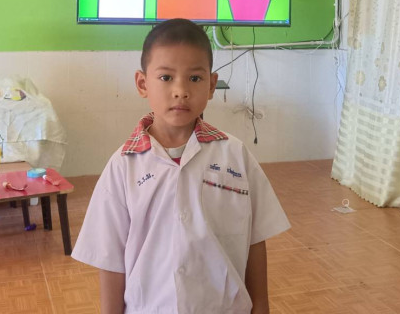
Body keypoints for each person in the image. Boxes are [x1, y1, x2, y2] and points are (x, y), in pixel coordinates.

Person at [71, 18, 290, 314]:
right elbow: (110, 259)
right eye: (166, 77)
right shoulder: (122, 167)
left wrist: (261, 307)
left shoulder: (235, 155)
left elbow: (255, 239)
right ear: (142, 84)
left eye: (195, 78)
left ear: (211, 85)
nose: (181, 90)